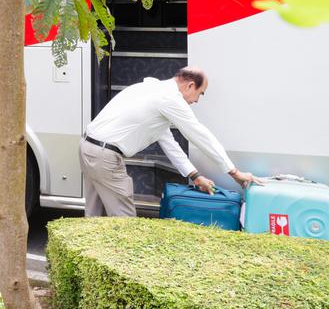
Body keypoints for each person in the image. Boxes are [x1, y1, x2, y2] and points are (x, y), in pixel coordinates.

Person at [80, 66, 259, 217]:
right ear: (190, 85)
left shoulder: (153, 90)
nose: (196, 101)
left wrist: (195, 176)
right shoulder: (169, 98)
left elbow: (168, 142)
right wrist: (234, 172)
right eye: (200, 94)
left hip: (88, 147)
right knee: (124, 221)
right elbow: (199, 134)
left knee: (95, 216)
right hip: (105, 157)